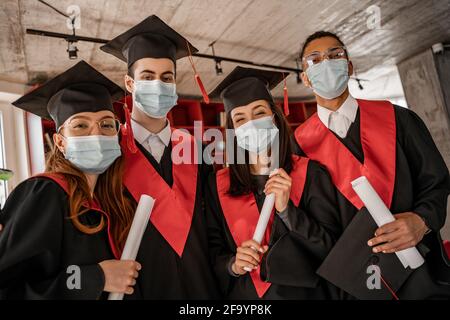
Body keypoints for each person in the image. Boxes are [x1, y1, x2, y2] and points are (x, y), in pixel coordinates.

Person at [294, 31, 450, 299]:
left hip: (420, 271)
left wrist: (421, 221)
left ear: (349, 66)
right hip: (353, 285)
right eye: (315, 60)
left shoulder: (399, 119)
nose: (327, 63)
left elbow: (435, 180)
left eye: (335, 55)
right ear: (306, 78)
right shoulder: (298, 147)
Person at [100, 15, 219, 299]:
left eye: (167, 78)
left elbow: (214, 225)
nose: (159, 84)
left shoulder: (196, 148)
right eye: (147, 77)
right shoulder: (109, 153)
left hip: (202, 288)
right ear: (129, 83)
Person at [0, 61, 141, 299]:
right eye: (80, 126)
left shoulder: (110, 200)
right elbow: (9, 288)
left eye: (107, 124)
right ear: (60, 142)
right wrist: (95, 278)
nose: (96, 134)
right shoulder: (44, 193)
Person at [205, 66, 342, 299]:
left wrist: (288, 212)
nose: (251, 123)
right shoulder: (218, 186)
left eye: (259, 113)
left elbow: (332, 249)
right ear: (233, 131)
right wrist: (233, 265)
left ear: (275, 118)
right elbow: (210, 252)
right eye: (240, 118)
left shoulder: (310, 173)